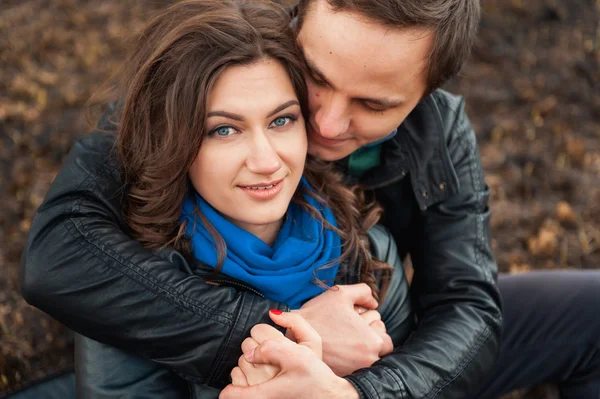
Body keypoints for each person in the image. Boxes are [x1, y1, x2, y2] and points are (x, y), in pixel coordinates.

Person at [20, 0, 600, 397]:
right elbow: (60, 255)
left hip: (384, 347)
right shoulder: (213, 69)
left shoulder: (435, 135)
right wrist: (287, 333)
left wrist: (357, 392)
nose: (324, 122)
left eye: (372, 105)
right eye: (314, 77)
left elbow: (467, 307)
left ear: (425, 93)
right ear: (298, 20)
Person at [35, 1, 413, 398]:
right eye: (224, 130)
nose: (266, 161)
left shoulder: (369, 249)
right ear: (175, 143)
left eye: (281, 120)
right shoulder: (131, 282)